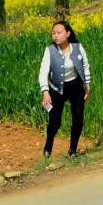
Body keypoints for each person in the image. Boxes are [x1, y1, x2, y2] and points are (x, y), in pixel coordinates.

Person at [38, 18, 91, 157]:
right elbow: (43, 72)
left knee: (78, 116)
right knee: (55, 122)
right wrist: (45, 91)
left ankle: (73, 149)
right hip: (56, 88)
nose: (55, 35)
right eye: (53, 33)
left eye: (59, 32)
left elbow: (85, 66)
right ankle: (49, 143)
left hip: (75, 86)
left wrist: (87, 84)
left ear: (67, 33)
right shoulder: (49, 51)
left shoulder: (78, 48)